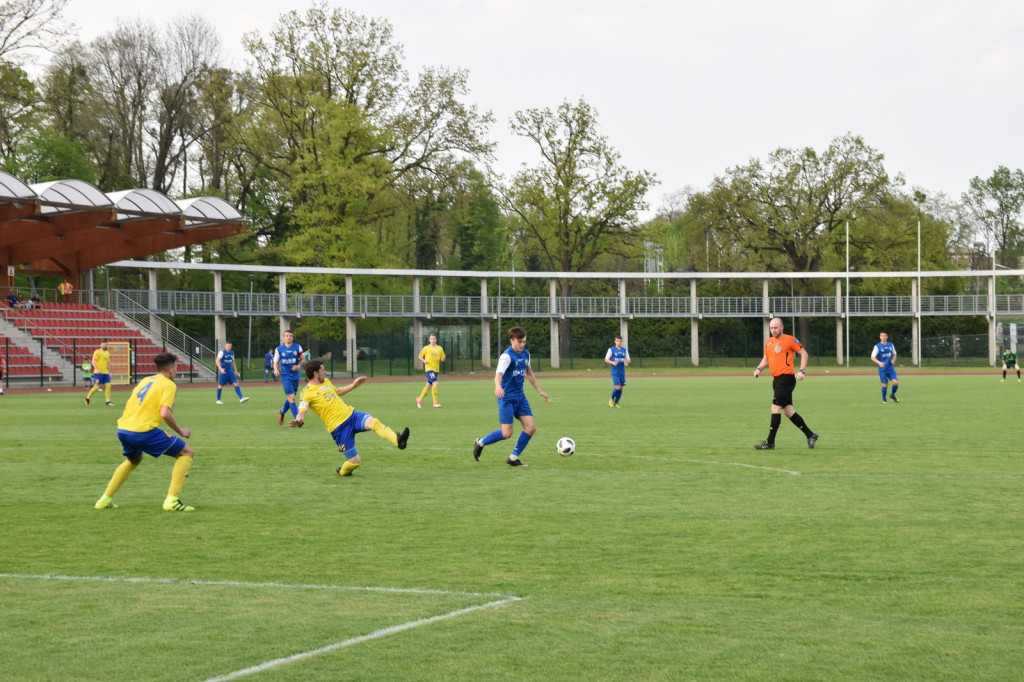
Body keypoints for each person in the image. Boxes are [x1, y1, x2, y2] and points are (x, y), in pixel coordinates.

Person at [94, 352, 196, 512]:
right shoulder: (169, 384)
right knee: (186, 452)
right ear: (170, 370)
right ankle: (172, 500)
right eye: (175, 369)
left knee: (134, 459)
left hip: (123, 429)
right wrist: (181, 431)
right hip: (142, 431)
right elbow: (165, 413)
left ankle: (104, 500)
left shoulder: (146, 380)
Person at [289, 359, 410, 478]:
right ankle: (342, 471)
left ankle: (398, 441)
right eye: (323, 370)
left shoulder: (326, 381)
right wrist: (299, 420)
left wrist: (354, 385)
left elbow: (337, 391)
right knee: (355, 462)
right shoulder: (306, 393)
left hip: (351, 416)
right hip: (339, 429)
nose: (325, 372)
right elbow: (302, 411)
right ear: (315, 373)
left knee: (374, 422)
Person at [472, 326, 549, 467]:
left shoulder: (526, 354)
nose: (522, 344)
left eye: (524, 341)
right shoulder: (506, 356)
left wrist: (539, 390)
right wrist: (497, 386)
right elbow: (498, 375)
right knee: (507, 434)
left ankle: (513, 458)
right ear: (512, 340)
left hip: (520, 397)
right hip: (506, 398)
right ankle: (480, 442)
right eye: (519, 342)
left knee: (531, 427)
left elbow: (529, 374)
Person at [752, 317, 819, 450]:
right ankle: (810, 435)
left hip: (786, 378)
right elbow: (766, 358)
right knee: (788, 411)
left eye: (775, 327)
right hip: (776, 380)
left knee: (775, 408)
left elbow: (804, 354)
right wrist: (759, 368)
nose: (773, 330)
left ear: (781, 327)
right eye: (771, 328)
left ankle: (770, 442)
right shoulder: (768, 342)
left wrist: (802, 371)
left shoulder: (790, 339)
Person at [273, 329, 305, 425]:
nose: (289, 337)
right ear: (283, 337)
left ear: (292, 337)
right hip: (286, 376)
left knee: (291, 397)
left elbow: (303, 359)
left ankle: (281, 412)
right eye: (287, 336)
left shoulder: (297, 347)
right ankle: (298, 419)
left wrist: (298, 366)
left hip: (295, 376)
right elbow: (275, 362)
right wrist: (276, 369)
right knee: (292, 397)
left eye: (290, 336)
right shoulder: (279, 349)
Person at [416, 333, 446, 408]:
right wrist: (424, 361)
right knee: (435, 383)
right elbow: (419, 356)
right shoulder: (426, 348)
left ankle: (420, 399)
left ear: (436, 340)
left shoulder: (440, 348)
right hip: (429, 369)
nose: (433, 340)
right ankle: (435, 402)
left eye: (434, 339)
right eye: (431, 339)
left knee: (428, 385)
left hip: (436, 370)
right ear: (429, 340)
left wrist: (443, 359)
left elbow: (443, 356)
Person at [872, 331, 900, 403]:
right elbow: (872, 357)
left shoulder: (891, 345)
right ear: (880, 337)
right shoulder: (877, 346)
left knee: (896, 383)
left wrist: (893, 360)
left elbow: (895, 354)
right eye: (882, 336)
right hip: (882, 369)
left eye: (885, 336)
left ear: (887, 337)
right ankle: (884, 399)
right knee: (885, 384)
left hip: (890, 368)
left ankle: (892, 395)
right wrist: (879, 362)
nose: (883, 337)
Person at [85, 340, 114, 406]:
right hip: (98, 373)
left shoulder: (107, 353)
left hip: (105, 373)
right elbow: (93, 362)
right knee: (97, 387)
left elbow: (108, 363)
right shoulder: (97, 352)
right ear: (100, 345)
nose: (104, 345)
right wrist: (97, 369)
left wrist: (110, 372)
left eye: (105, 344)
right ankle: (87, 398)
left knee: (108, 386)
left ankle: (108, 401)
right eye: (103, 344)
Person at [604, 335, 631, 407]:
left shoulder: (624, 350)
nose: (619, 342)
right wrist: (612, 362)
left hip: (622, 371)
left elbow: (628, 360)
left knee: (621, 387)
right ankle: (611, 398)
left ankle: (616, 402)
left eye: (620, 341)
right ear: (615, 341)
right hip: (615, 371)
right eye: (617, 341)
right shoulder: (611, 349)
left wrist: (628, 361)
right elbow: (606, 359)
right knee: (618, 387)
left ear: (622, 342)